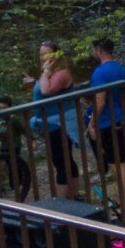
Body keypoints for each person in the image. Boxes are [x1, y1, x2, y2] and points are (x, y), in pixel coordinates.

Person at [86, 37, 125, 214]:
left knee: (116, 164)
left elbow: (100, 102)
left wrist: (91, 123)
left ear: (99, 50)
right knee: (121, 162)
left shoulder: (99, 74)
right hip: (122, 119)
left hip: (108, 123)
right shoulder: (121, 69)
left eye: (94, 49)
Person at [30, 40, 79, 199]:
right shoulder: (51, 72)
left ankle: (62, 204)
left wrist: (44, 72)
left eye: (46, 53)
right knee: (64, 161)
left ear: (56, 54)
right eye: (41, 54)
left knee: (61, 162)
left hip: (59, 125)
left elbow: (46, 90)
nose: (43, 57)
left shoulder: (61, 73)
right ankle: (74, 197)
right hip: (50, 125)